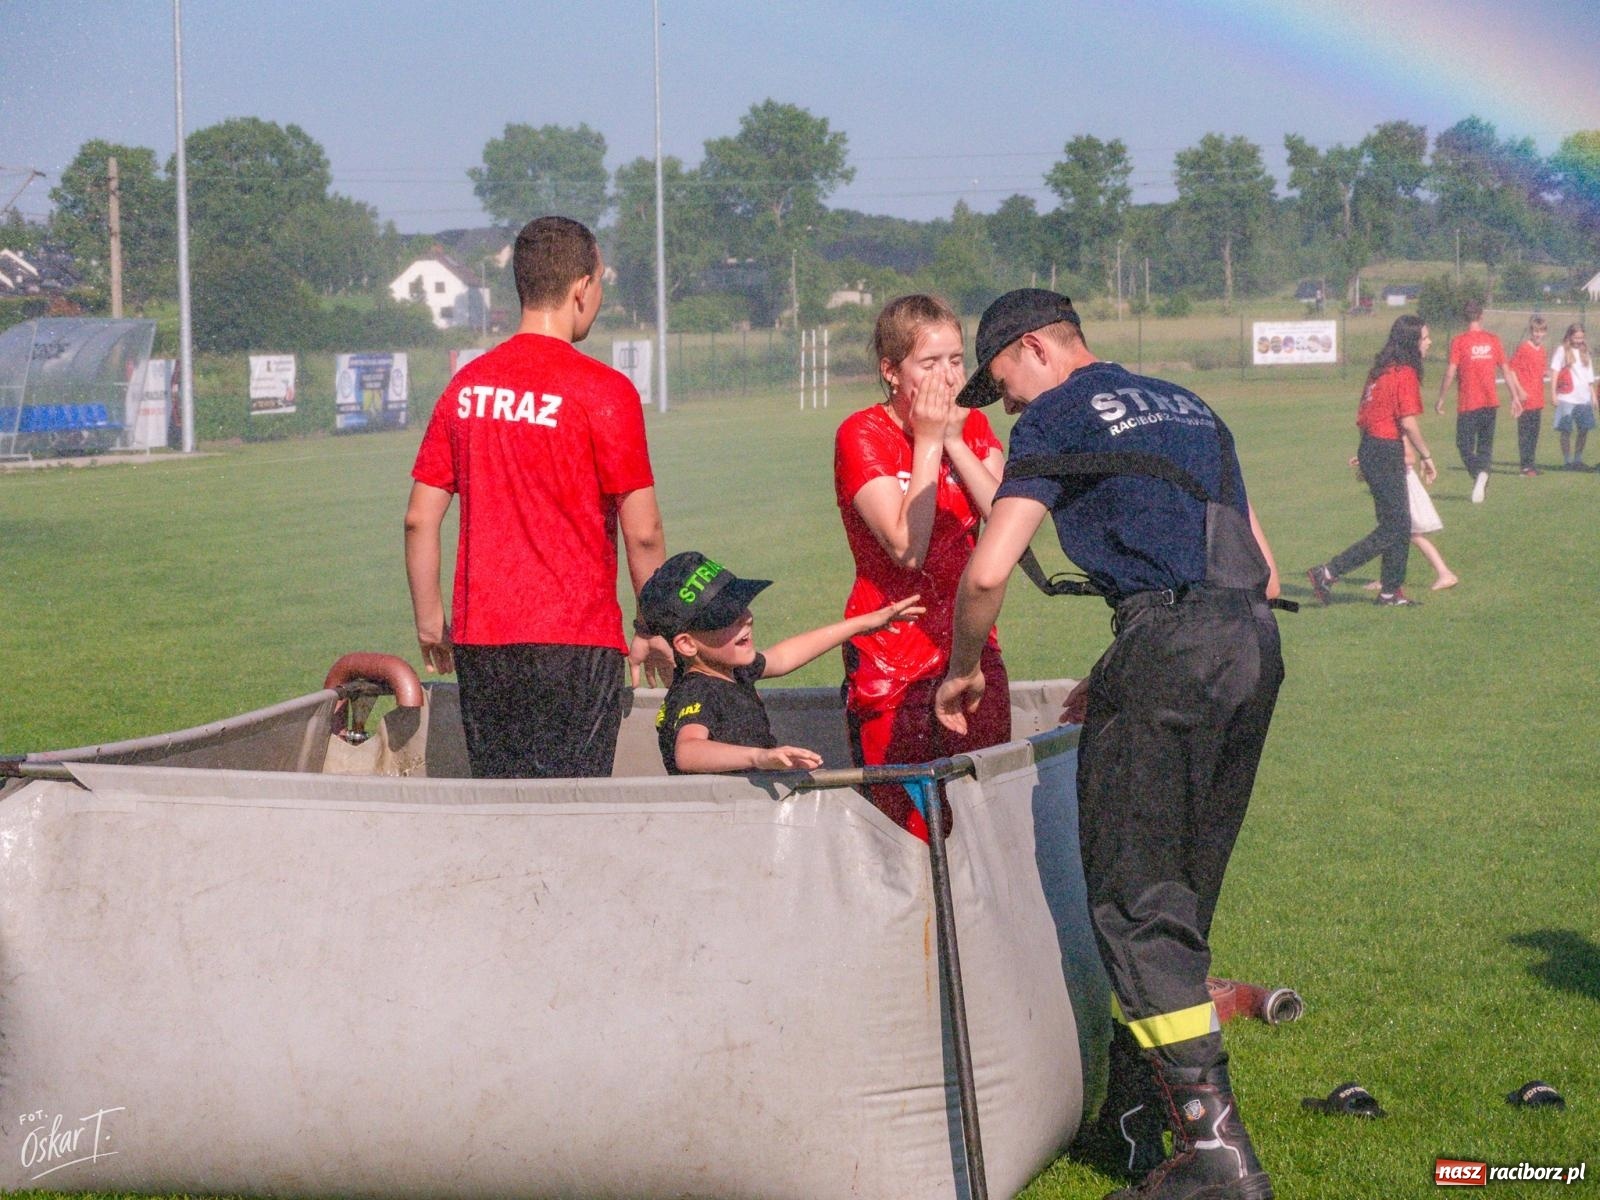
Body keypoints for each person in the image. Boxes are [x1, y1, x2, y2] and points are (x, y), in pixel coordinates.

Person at [933, 289, 1285, 1200]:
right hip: (1251, 646)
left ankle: (1215, 1158)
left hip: (1169, 647)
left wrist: (964, 669)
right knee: (1183, 889)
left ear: (1036, 348)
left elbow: (986, 570)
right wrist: (1129, 660)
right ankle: (1145, 1121)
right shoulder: (1193, 407)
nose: (1004, 401)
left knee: (1133, 903)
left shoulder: (1054, 415)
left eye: (1001, 378)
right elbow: (1262, 566)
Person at [404, 215, 672, 779]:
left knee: (504, 807)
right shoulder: (605, 391)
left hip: (483, 642)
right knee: (571, 815)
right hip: (576, 639)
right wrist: (655, 625)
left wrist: (431, 621)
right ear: (582, 287)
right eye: (599, 283)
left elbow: (419, 519)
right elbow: (642, 531)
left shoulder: (467, 386)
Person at [833, 293, 1011, 838]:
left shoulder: (974, 428)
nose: (948, 377)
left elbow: (1010, 526)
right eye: (929, 364)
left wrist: (953, 438)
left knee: (982, 819)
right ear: (891, 371)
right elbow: (906, 549)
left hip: (969, 646)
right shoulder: (862, 433)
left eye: (956, 360)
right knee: (904, 827)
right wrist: (929, 440)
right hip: (890, 656)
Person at [639, 551, 923, 775]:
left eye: (740, 605)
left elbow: (784, 656)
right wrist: (758, 757)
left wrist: (861, 624)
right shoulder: (697, 691)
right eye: (725, 618)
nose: (745, 618)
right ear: (687, 644)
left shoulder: (730, 669)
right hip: (724, 824)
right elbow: (688, 752)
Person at [1308, 316, 1441, 607]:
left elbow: (1364, 416)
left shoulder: (1379, 371)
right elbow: (1407, 421)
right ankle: (1328, 572)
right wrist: (1427, 456)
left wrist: (1366, 454)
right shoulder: (1403, 372)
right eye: (1425, 337)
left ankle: (1390, 592)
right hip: (1383, 449)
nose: (1429, 342)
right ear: (1411, 341)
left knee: (1397, 523)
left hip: (1373, 447)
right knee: (1396, 526)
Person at [1434, 298, 1524, 503]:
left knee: (1463, 445)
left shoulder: (1459, 341)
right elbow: (1507, 370)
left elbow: (1450, 372)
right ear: (1481, 316)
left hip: (1469, 403)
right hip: (1490, 403)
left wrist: (1441, 398)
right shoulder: (1493, 340)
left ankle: (1479, 475)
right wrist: (1514, 397)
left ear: (1464, 318)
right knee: (1485, 446)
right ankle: (1482, 476)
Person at [1549, 323, 1596, 470]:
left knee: (1584, 429)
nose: (1578, 340)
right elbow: (1555, 372)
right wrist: (1553, 394)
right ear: (1569, 336)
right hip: (1567, 398)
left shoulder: (1585, 352)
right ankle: (1567, 461)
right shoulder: (1562, 350)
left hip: (1584, 399)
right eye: (1576, 337)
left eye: (1581, 337)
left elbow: (1589, 377)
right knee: (1566, 430)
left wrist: (1593, 395)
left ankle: (1578, 459)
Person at [1507, 317, 1548, 475]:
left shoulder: (1542, 350)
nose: (1538, 334)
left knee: (1534, 433)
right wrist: (1520, 390)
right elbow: (1512, 370)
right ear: (1531, 332)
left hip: (1537, 398)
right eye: (1536, 331)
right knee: (1525, 433)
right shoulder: (1524, 348)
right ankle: (1525, 466)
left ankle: (1531, 464)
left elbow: (1539, 371)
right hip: (1526, 399)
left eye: (1541, 331)